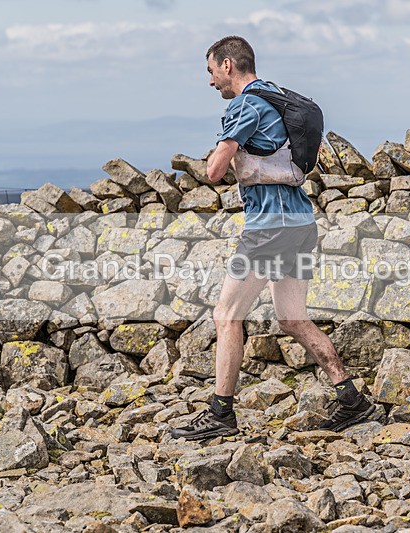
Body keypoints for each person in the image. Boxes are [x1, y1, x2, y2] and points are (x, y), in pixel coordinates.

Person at [170, 36, 374, 441]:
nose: (211, 83)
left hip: (269, 228)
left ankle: (221, 413)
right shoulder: (276, 96)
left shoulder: (245, 105)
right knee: (292, 317)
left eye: (211, 72)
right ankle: (351, 399)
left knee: (226, 315)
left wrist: (219, 152)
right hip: (300, 223)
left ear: (227, 65)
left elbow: (213, 171)